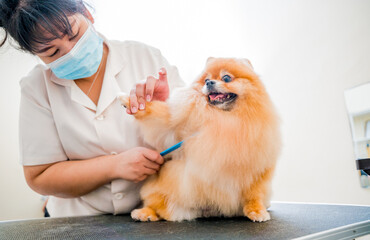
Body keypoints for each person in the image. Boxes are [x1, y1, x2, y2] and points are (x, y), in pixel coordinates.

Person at [0, 0, 184, 217]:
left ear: (87, 12)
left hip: (152, 210)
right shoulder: (37, 89)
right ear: (35, 53)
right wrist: (114, 166)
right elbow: (39, 176)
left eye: (75, 35)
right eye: (52, 52)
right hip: (74, 220)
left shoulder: (146, 58)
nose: (72, 52)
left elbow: (194, 141)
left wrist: (165, 110)